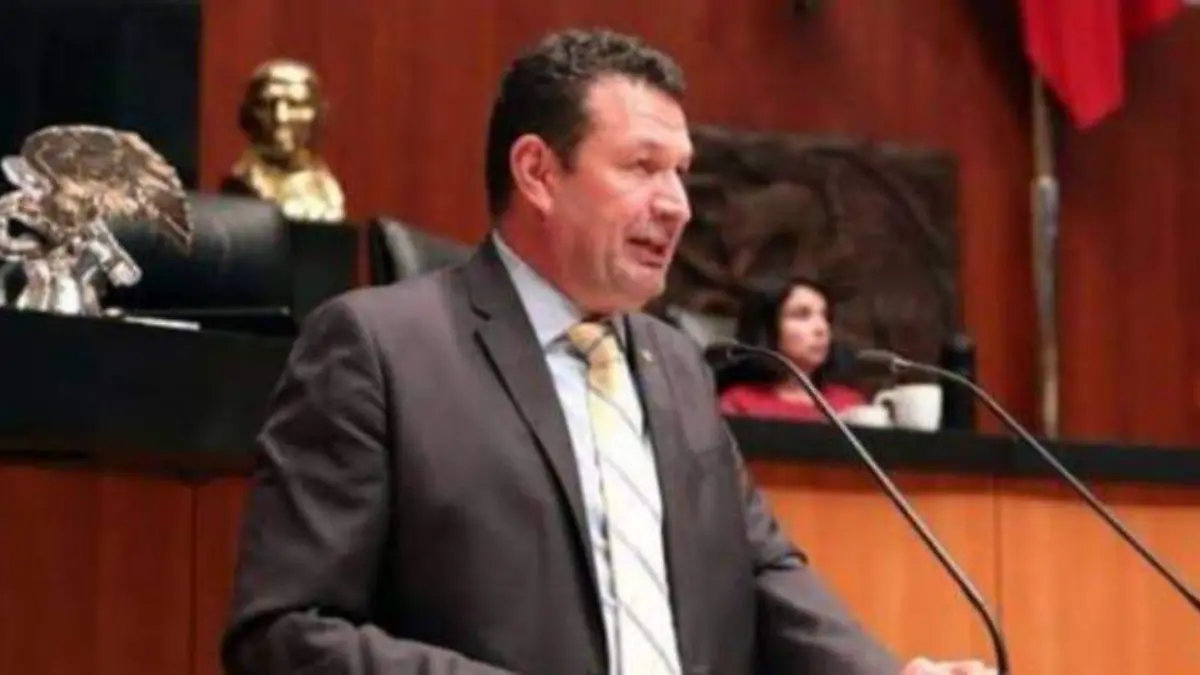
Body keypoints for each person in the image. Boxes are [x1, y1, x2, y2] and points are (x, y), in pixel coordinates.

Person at [221, 28, 995, 675]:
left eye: (681, 172)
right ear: (537, 172)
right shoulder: (378, 350)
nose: (678, 205)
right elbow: (285, 632)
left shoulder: (677, 363)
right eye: (642, 166)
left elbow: (759, 569)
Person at [720, 276, 867, 421]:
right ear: (769, 328)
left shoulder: (850, 404)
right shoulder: (738, 403)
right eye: (802, 315)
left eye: (826, 317)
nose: (821, 328)